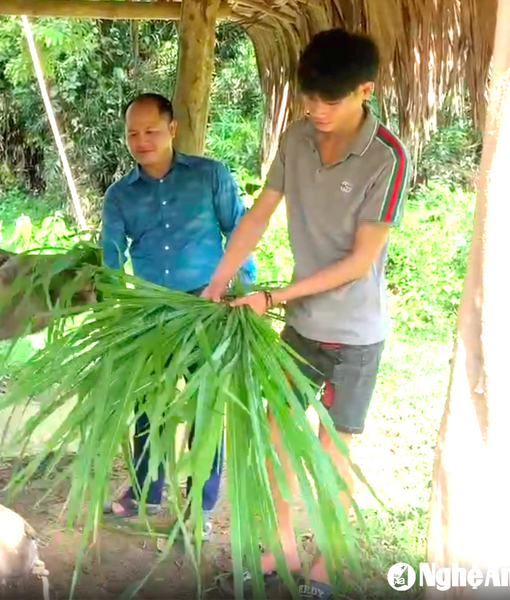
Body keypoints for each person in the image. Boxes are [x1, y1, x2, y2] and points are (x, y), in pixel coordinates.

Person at [202, 29, 414, 600]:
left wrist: (273, 297)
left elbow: (359, 261)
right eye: (309, 97)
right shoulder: (296, 137)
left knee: (332, 452)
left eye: (332, 100)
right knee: (276, 438)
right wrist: (218, 281)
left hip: (352, 335)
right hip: (301, 327)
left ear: (364, 91)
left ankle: (325, 565)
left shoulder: (386, 156)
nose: (316, 110)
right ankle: (280, 549)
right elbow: (258, 215)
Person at [100, 92, 256, 541]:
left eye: (150, 131)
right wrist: (112, 306)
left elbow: (238, 231)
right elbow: (111, 257)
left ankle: (198, 506)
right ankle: (146, 491)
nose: (141, 141)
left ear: (172, 129)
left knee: (207, 406)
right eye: (132, 133)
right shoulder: (120, 195)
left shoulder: (210, 176)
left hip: (208, 307)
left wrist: (240, 294)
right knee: (149, 406)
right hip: (150, 314)